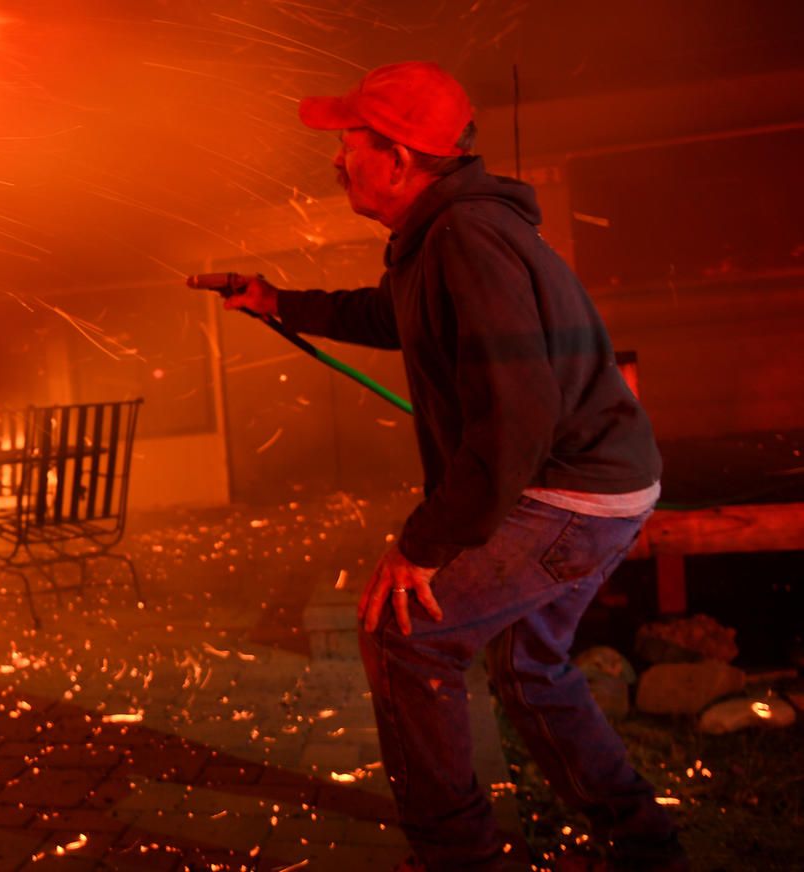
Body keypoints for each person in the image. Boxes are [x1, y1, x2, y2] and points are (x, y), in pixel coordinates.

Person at [211, 62, 687, 871]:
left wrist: (425, 544)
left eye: (348, 145)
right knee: (530, 670)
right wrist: (278, 301)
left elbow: (517, 418)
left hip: (571, 490)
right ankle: (647, 850)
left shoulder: (466, 238)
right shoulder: (442, 236)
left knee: (403, 634)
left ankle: (457, 859)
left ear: (398, 159)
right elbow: (392, 314)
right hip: (598, 480)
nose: (336, 161)